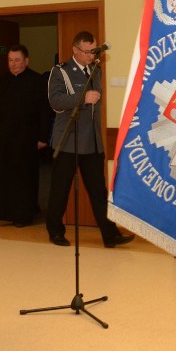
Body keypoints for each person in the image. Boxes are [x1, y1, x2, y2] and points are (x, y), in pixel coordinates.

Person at [45, 31, 134, 248]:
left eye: (93, 52)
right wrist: (82, 98)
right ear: (75, 50)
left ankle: (110, 235)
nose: (91, 56)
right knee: (60, 189)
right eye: (86, 52)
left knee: (98, 192)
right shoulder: (61, 72)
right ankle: (55, 231)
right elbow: (55, 101)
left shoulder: (96, 71)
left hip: (92, 142)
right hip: (68, 141)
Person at [0, 44, 50, 227]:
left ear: (26, 61)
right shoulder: (1, 82)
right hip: (4, 140)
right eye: (10, 60)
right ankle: (5, 213)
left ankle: (24, 214)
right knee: (5, 176)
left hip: (27, 139)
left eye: (17, 60)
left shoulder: (37, 81)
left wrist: (43, 137)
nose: (14, 64)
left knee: (24, 178)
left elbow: (44, 112)